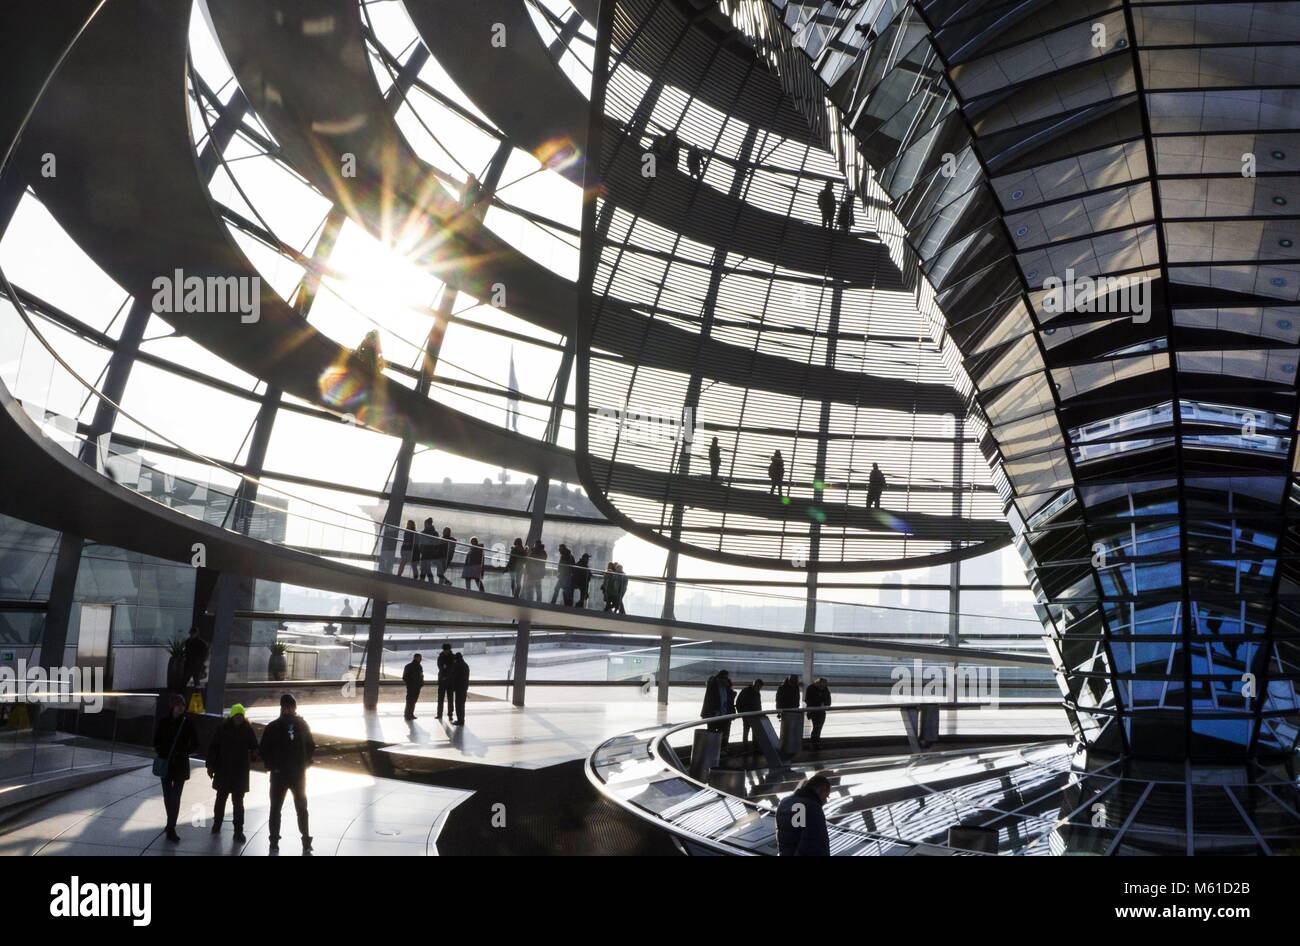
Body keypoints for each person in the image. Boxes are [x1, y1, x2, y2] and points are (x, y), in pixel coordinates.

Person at [259, 693, 315, 853]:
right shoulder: (302, 724)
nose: (289, 710)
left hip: (280, 775)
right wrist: (305, 762)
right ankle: (305, 840)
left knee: (277, 808)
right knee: (300, 808)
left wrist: (272, 765)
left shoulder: (273, 726)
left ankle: (275, 842)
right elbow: (311, 746)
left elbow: (263, 750)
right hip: (296, 774)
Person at [206, 703, 258, 842]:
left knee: (237, 802)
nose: (239, 718)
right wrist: (210, 766)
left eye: (241, 715)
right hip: (224, 770)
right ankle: (217, 824)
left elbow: (254, 746)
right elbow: (213, 748)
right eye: (237, 715)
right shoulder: (222, 728)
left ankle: (238, 831)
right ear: (232, 716)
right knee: (221, 799)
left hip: (239, 772)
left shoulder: (247, 729)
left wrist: (254, 753)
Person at [153, 693, 198, 843]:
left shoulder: (187, 723)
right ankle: (170, 823)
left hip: (180, 764)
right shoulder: (164, 722)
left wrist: (183, 751)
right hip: (166, 763)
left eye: (183, 705)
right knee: (168, 796)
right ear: (172, 706)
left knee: (176, 797)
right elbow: (156, 741)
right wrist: (164, 752)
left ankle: (171, 827)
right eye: (179, 705)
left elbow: (196, 743)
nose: (181, 708)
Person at [775, 773, 831, 856]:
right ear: (821, 790)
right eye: (826, 796)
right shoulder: (812, 807)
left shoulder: (784, 802)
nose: (825, 801)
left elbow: (781, 835)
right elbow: (812, 842)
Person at [701, 669, 735, 748]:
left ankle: (722, 749)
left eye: (726, 678)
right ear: (719, 678)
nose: (725, 680)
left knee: (724, 734)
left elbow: (730, 701)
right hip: (714, 715)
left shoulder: (727, 687)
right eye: (723, 678)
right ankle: (712, 749)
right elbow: (709, 701)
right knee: (712, 734)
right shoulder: (713, 687)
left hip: (725, 715)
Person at [736, 679, 764, 752]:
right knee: (748, 731)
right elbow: (739, 702)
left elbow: (758, 704)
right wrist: (742, 713)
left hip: (752, 715)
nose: (759, 688)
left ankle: (750, 747)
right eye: (759, 687)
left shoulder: (751, 692)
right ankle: (748, 747)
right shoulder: (749, 691)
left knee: (750, 731)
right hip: (748, 715)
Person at [806, 677, 832, 750]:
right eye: (822, 685)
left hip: (820, 711)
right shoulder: (811, 688)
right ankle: (814, 744)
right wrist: (821, 702)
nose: (823, 687)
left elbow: (828, 701)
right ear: (818, 683)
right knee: (817, 727)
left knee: (818, 728)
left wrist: (822, 702)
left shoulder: (824, 689)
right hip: (814, 711)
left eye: (824, 685)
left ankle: (815, 744)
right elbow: (808, 700)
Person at [402, 653, 424, 720]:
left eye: (420, 658)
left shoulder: (419, 666)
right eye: (419, 658)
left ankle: (410, 714)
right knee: (410, 700)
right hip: (412, 686)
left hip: (416, 686)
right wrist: (410, 684)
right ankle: (408, 714)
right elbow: (405, 677)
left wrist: (421, 683)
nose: (420, 659)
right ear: (415, 658)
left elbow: (421, 676)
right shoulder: (409, 666)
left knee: (413, 701)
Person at [436, 643, 454, 721]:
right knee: (441, 698)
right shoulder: (442, 657)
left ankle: (449, 714)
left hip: (447, 680)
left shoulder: (451, 657)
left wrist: (445, 668)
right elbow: (441, 667)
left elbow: (450, 668)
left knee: (449, 699)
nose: (446, 651)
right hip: (445, 680)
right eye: (445, 650)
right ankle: (440, 714)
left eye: (446, 650)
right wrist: (446, 668)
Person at [451, 652, 470, 726]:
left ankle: (460, 720)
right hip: (464, 688)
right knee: (462, 704)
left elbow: (455, 676)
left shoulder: (458, 666)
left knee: (458, 705)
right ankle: (461, 719)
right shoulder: (465, 665)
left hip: (459, 688)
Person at [419, 518, 439, 582]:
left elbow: (435, 543)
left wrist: (420, 549)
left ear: (428, 524)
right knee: (425, 566)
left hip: (428, 551)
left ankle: (424, 579)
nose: (425, 525)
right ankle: (429, 580)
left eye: (426, 524)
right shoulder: (434, 533)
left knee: (425, 566)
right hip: (428, 551)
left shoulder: (425, 532)